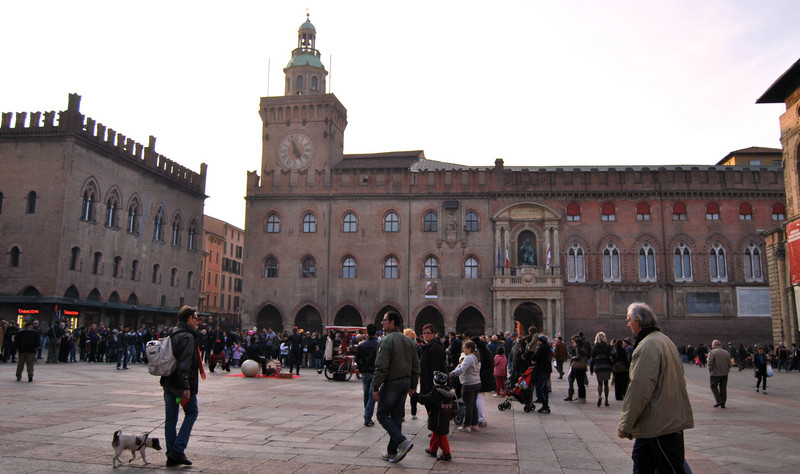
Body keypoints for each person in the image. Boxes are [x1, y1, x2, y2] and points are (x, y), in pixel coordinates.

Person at [618, 302, 693, 473]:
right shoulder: (665, 341)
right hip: (664, 417)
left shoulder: (647, 346)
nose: (628, 324)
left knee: (671, 467)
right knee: (641, 459)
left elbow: (639, 388)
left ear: (637, 321)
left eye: (629, 320)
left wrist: (626, 423)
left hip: (658, 421)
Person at [372, 311, 419, 463]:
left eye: (384, 320)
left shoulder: (387, 340)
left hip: (392, 382)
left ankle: (402, 441)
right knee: (397, 417)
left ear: (392, 323)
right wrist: (413, 385)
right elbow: (416, 366)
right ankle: (392, 452)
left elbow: (381, 366)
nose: (382, 322)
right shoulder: (409, 341)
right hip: (405, 382)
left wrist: (375, 387)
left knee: (382, 415)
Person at [161, 306, 205, 467]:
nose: (198, 320)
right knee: (192, 412)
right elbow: (185, 365)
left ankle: (170, 454)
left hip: (168, 383)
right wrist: (186, 387)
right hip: (181, 386)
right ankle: (178, 450)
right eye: (196, 317)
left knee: (171, 418)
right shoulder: (188, 337)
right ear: (189, 319)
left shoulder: (172, 333)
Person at [410, 371, 455, 461]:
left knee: (440, 436)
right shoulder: (448, 393)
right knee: (436, 433)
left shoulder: (436, 394)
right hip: (444, 417)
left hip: (437, 418)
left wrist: (414, 395)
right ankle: (433, 450)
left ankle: (446, 453)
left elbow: (424, 399)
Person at [449, 340, 481, 432]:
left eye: (465, 348)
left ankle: (467, 425)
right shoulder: (476, 357)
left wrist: (451, 374)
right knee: (473, 404)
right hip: (477, 382)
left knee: (468, 405)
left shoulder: (469, 358)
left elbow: (462, 369)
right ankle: (475, 424)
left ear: (469, 349)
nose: (463, 350)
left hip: (468, 383)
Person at [356, 323, 379, 427]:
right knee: (371, 395)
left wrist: (361, 369)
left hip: (365, 373)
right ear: (376, 332)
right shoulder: (379, 344)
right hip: (374, 372)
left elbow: (358, 359)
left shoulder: (361, 345)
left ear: (366, 332)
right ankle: (367, 417)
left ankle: (367, 413)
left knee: (366, 394)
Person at [527, 335, 552, 413]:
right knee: (545, 389)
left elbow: (534, 357)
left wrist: (533, 359)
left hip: (541, 370)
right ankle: (546, 405)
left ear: (541, 342)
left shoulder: (541, 348)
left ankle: (545, 406)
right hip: (547, 370)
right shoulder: (549, 349)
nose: (537, 342)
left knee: (539, 389)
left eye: (539, 341)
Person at [590, 332, 613, 407]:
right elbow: (611, 355)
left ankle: (599, 396)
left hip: (598, 367)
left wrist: (591, 369)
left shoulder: (595, 347)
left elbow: (592, 359)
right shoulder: (608, 346)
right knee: (606, 384)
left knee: (600, 384)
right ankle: (606, 400)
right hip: (606, 367)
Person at [707, 339, 731, 408]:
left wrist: (710, 371)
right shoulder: (726, 352)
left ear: (714, 345)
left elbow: (710, 363)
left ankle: (719, 400)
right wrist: (727, 370)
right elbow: (729, 363)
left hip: (715, 373)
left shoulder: (713, 352)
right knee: (723, 388)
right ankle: (723, 403)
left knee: (713, 386)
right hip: (724, 374)